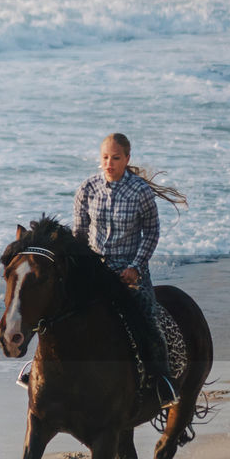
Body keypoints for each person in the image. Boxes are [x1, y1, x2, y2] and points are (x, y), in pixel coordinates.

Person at [72, 132, 187, 407]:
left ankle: (163, 383)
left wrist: (135, 267)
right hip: (96, 271)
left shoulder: (140, 191)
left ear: (127, 159)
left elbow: (151, 233)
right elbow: (79, 233)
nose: (109, 163)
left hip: (130, 273)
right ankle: (40, 371)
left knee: (149, 320)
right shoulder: (87, 189)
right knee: (58, 308)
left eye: (115, 157)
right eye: (104, 157)